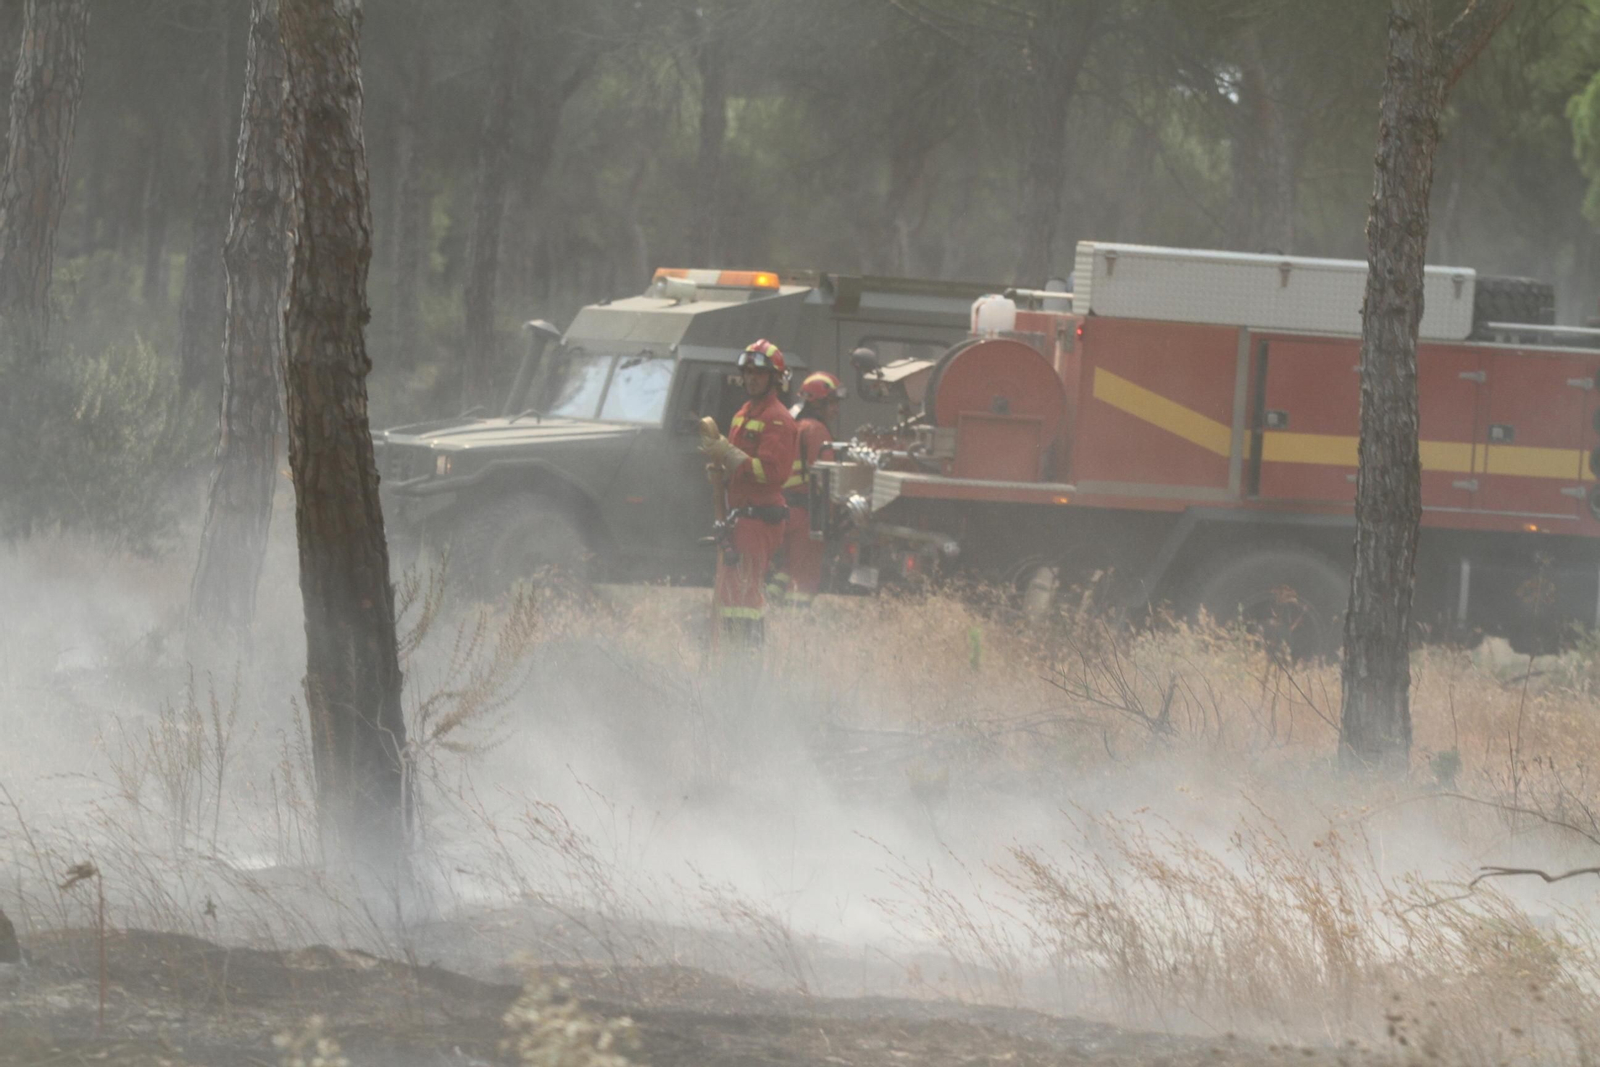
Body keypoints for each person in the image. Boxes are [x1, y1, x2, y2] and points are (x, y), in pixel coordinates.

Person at [699, 340, 800, 646]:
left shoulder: (778, 419)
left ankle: (745, 662)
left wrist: (728, 455)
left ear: (775, 378)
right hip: (740, 518)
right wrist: (721, 470)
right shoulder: (744, 412)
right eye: (747, 372)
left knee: (743, 597)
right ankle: (726, 659)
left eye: (758, 372)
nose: (751, 378)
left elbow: (771, 473)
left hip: (759, 520)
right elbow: (738, 461)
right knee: (730, 593)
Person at [770, 371, 845, 605]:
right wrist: (833, 514)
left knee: (788, 566)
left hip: (786, 509)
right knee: (805, 575)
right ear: (818, 403)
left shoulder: (796, 425)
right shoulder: (817, 430)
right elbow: (826, 476)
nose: (836, 409)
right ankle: (797, 620)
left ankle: (771, 602)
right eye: (831, 403)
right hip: (806, 515)